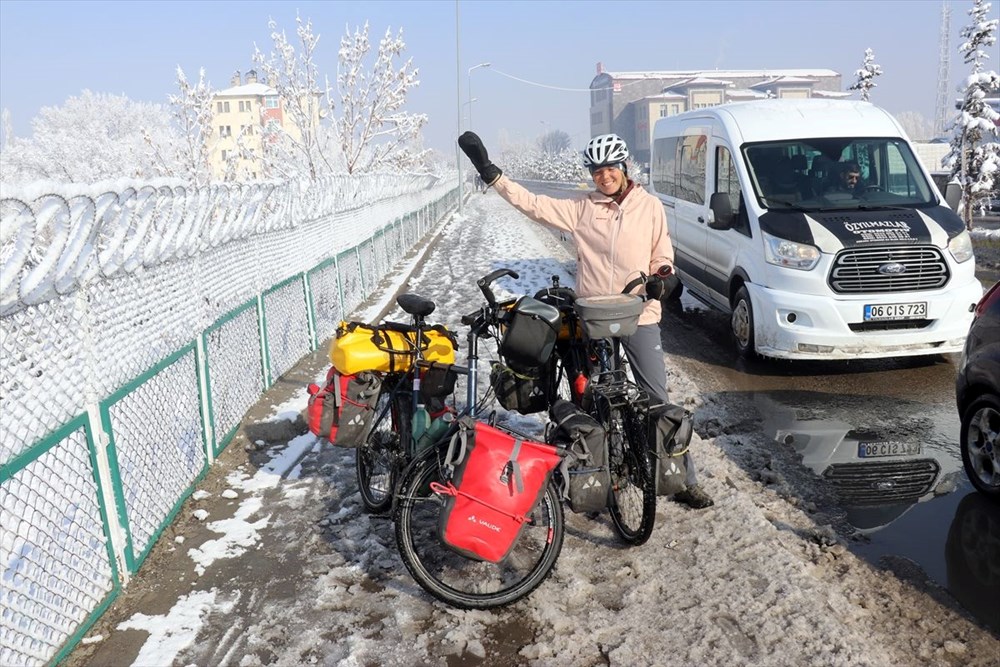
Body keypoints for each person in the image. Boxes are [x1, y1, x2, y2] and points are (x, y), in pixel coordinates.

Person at [458, 130, 714, 509]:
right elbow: (533, 204)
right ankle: (603, 475)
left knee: (656, 397)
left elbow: (661, 254)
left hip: (639, 313)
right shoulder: (582, 208)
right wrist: (492, 173)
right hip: (592, 317)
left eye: (610, 168)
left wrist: (662, 278)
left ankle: (682, 480)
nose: (603, 176)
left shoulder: (649, 206)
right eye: (596, 170)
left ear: (623, 167)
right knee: (596, 399)